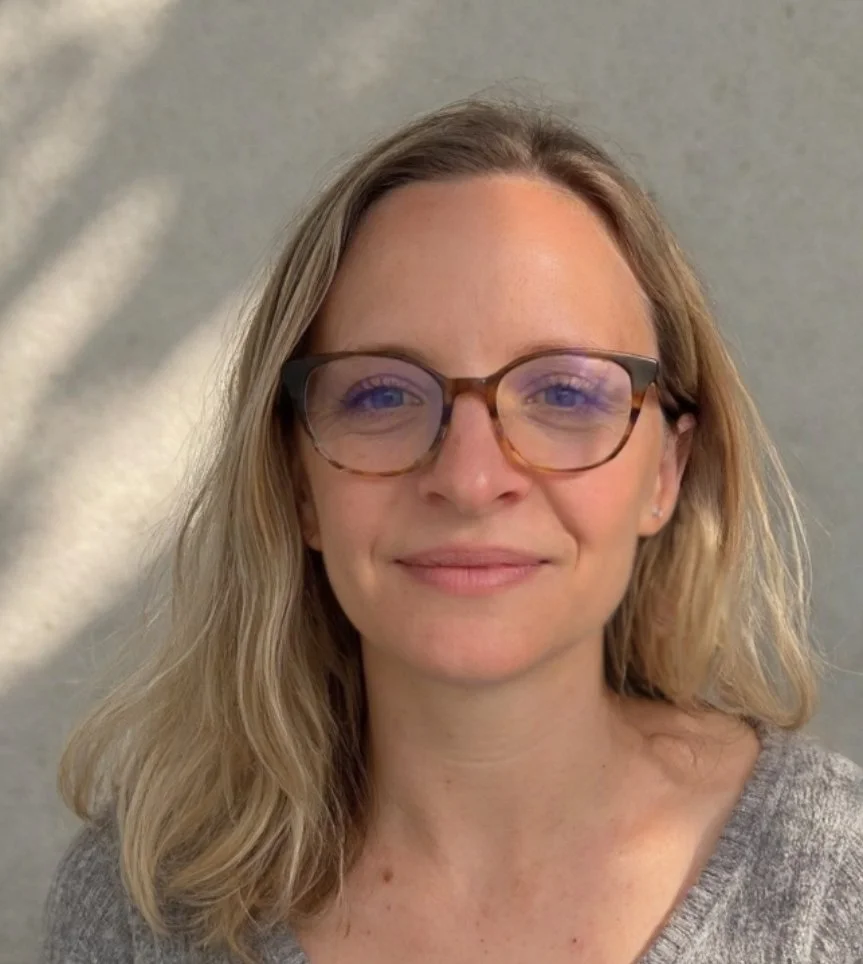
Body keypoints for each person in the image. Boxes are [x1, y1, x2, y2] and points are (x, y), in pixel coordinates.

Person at [41, 99, 862, 964]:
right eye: (381, 395)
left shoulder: (834, 884)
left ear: (665, 472)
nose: (470, 481)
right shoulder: (142, 911)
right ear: (298, 482)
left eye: (564, 393)